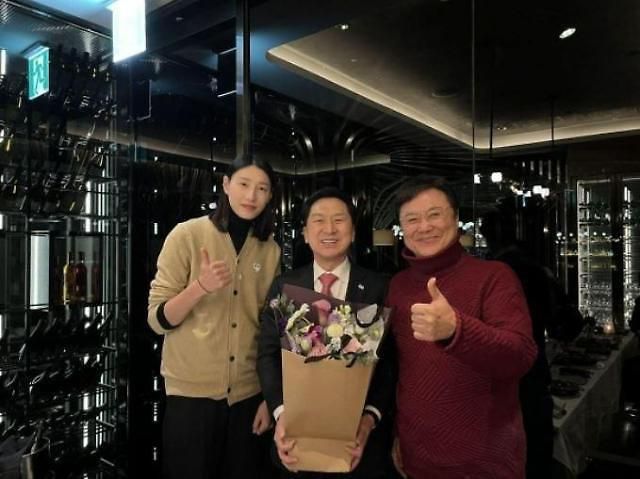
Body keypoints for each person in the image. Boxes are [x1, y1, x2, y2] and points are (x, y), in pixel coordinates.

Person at [387, 176, 537, 479]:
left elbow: (521, 355)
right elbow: (401, 371)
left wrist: (457, 329)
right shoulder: (397, 286)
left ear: (456, 219)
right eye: (412, 219)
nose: (424, 227)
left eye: (434, 215)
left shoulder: (494, 276)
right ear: (402, 229)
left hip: (484, 464)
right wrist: (396, 433)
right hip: (415, 460)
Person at [147, 156, 281, 479]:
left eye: (262, 189)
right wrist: (200, 287)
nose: (251, 196)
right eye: (244, 184)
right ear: (226, 185)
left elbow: (270, 329)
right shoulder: (187, 235)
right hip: (191, 397)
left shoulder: (270, 250)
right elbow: (157, 319)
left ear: (269, 196)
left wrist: (269, 398)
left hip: (248, 397)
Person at [257, 187, 397, 479]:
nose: (330, 229)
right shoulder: (285, 286)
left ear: (353, 231)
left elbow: (389, 363)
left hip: (358, 442)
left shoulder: (378, 287)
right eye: (319, 220)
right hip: (295, 438)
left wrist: (369, 419)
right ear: (306, 233)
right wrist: (280, 413)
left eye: (339, 220)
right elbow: (268, 355)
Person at [480, 207, 582, 479]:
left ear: (490, 234)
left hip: (506, 379)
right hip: (532, 371)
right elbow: (566, 323)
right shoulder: (534, 267)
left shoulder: (493, 272)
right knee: (535, 453)